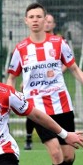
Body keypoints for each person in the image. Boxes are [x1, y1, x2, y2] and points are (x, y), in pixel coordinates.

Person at [6, 3, 83, 165]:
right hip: (37, 110)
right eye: (32, 17)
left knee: (67, 156)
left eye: (39, 16)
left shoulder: (58, 43)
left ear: (45, 19)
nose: (36, 20)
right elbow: (11, 78)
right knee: (55, 153)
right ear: (26, 21)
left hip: (62, 106)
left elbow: (73, 68)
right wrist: (11, 98)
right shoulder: (21, 49)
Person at [23, 12, 58, 151]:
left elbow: (68, 63)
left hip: (53, 86)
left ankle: (58, 135)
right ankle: (29, 137)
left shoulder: (58, 42)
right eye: (47, 21)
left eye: (50, 21)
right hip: (36, 87)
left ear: (53, 24)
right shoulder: (30, 43)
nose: (48, 24)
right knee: (32, 110)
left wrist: (57, 72)